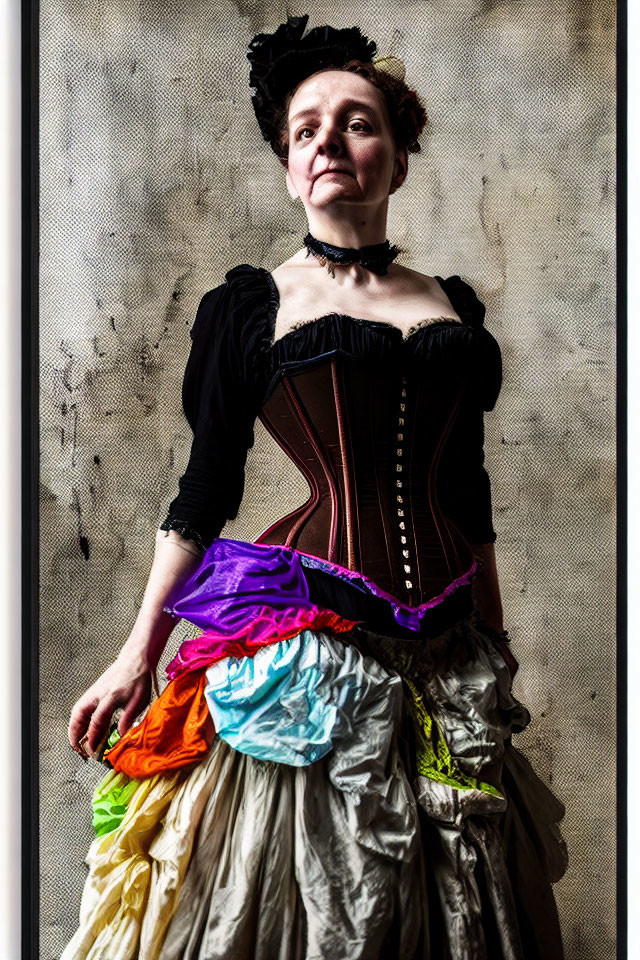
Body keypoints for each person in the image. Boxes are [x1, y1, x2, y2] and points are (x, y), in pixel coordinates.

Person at [63, 15, 567, 960]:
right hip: (308, 651)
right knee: (318, 909)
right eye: (306, 130)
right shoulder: (254, 306)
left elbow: (469, 491)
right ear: (292, 170)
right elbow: (204, 493)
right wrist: (139, 654)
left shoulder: (453, 303)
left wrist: (495, 650)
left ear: (399, 157)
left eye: (357, 121)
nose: (330, 141)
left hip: (447, 648)